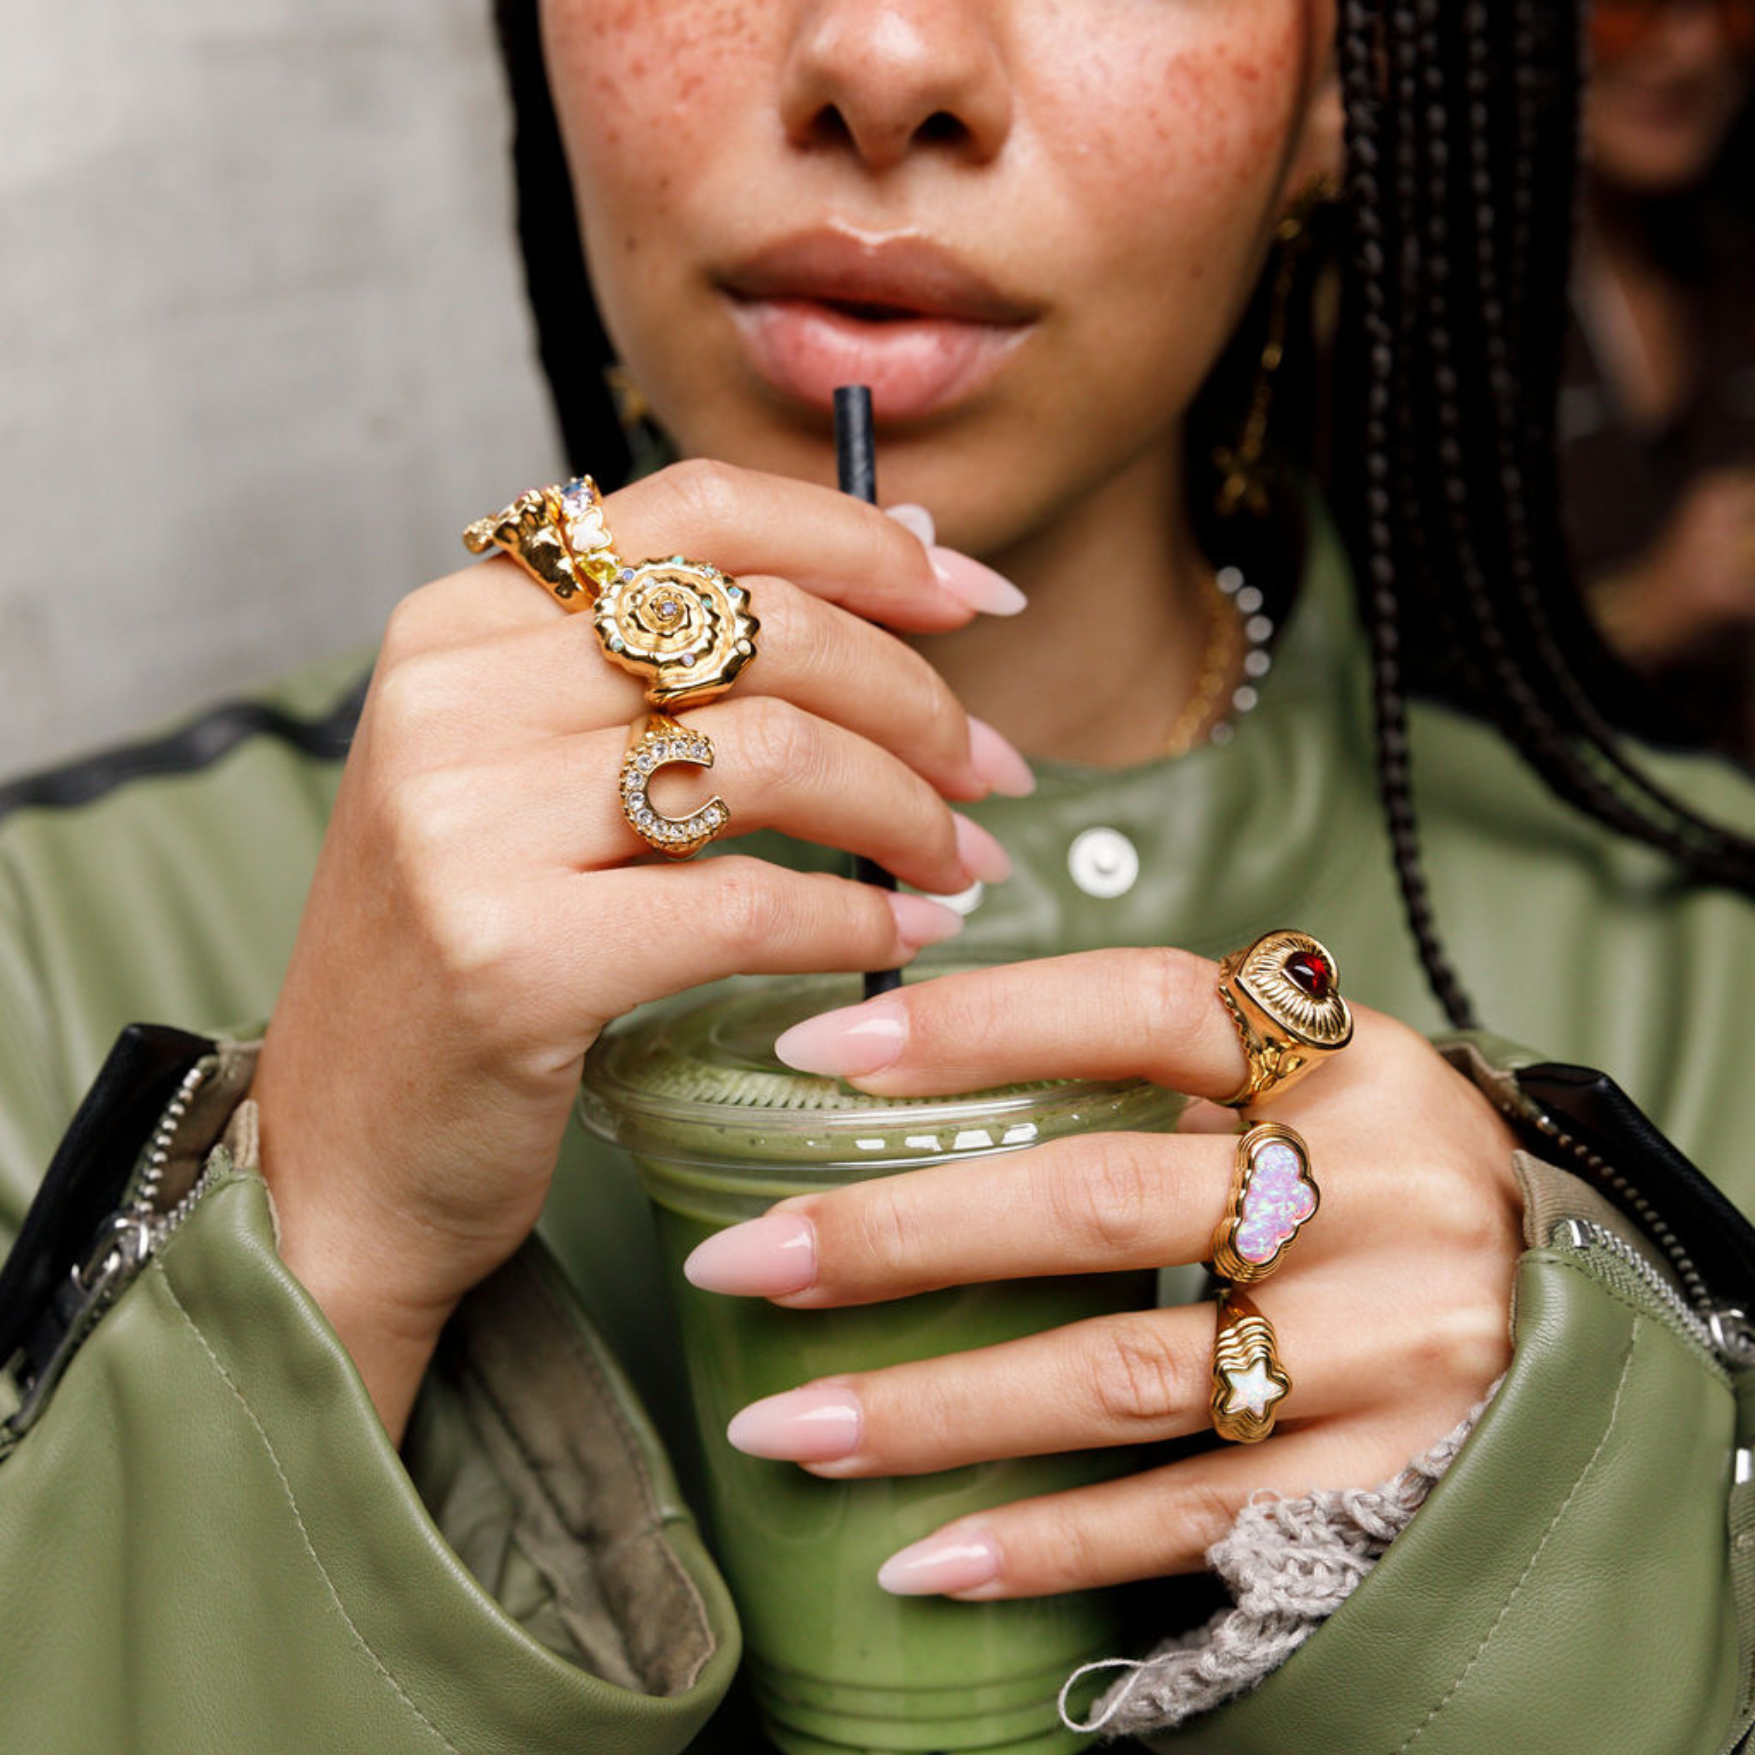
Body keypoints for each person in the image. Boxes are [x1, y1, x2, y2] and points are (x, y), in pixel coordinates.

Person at [4, 2, 1755, 1751]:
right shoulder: (45, 959)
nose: (887, 54)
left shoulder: (1715, 994)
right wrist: (315, 1271)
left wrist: (1535, 1562)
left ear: (1333, 81)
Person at [1563, 0, 1755, 758]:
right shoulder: (1407, 306)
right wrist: (1646, 608)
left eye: (1734, 9)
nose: (1692, 49)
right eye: (1630, 7)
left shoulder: (1730, 273)